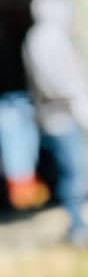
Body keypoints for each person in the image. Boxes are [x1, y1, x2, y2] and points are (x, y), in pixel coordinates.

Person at [22, 0, 88, 246]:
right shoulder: (44, 38)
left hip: (67, 115)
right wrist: (74, 101)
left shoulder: (56, 37)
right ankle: (78, 229)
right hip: (61, 117)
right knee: (74, 171)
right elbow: (55, 82)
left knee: (78, 170)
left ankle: (81, 225)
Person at [0, 23, 48, 210]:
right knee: (15, 152)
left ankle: (27, 194)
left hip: (21, 99)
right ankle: (21, 196)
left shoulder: (15, 43)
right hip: (7, 103)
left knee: (26, 150)